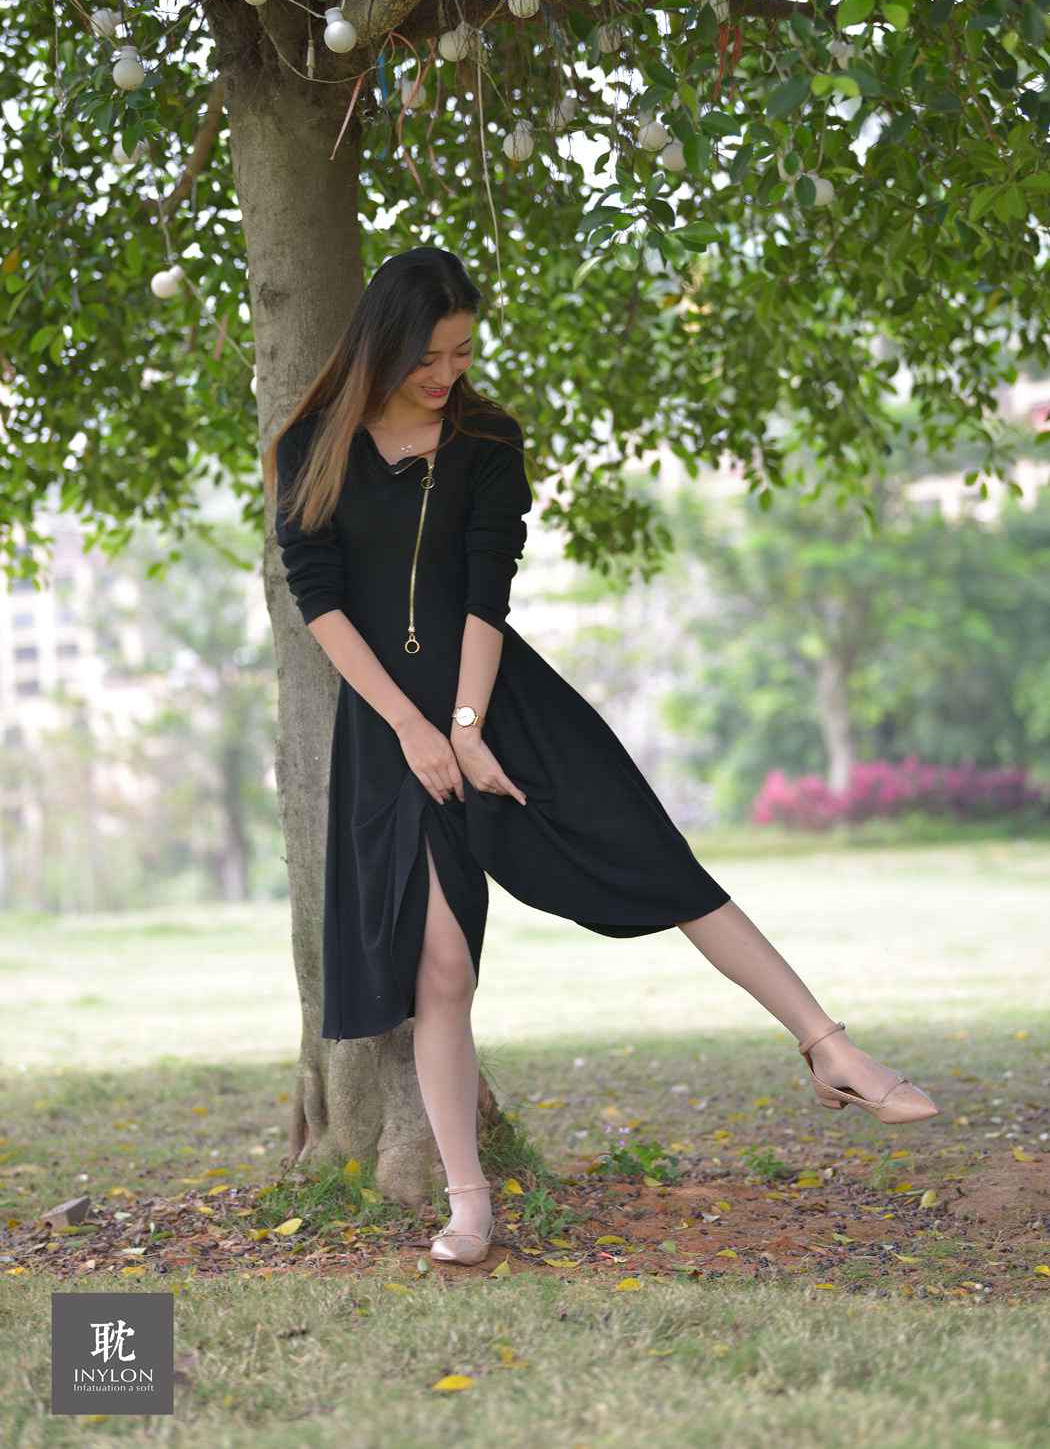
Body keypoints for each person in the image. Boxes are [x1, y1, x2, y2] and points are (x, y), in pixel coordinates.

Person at [265, 247, 939, 1267]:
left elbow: (486, 593)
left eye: (461, 353)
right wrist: (414, 729)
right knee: (440, 968)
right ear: (383, 345)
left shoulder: (488, 442)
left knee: (657, 860)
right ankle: (467, 1203)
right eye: (428, 357)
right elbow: (320, 602)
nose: (446, 374)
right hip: (389, 736)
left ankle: (830, 1046)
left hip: (507, 706)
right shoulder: (312, 447)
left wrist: (466, 725)